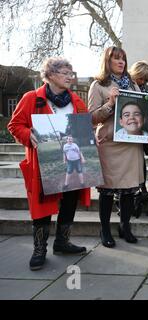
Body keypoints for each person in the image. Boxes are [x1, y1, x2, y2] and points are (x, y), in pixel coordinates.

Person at [8, 57, 90, 271]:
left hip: (71, 160)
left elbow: (84, 126)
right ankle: (39, 249)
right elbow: (15, 125)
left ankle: (62, 242)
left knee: (70, 200)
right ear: (51, 75)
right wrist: (28, 135)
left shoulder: (77, 101)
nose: (70, 77)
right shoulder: (31, 98)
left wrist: (90, 136)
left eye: (71, 73)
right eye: (65, 73)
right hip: (44, 162)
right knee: (43, 206)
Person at [88, 46, 148, 248]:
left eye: (123, 58)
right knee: (107, 191)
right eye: (116, 59)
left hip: (131, 143)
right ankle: (105, 229)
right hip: (109, 144)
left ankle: (125, 227)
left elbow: (142, 112)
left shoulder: (133, 85)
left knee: (128, 190)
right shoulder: (98, 85)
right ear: (107, 61)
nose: (121, 62)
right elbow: (92, 117)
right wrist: (110, 103)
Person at [129, 60, 148, 199]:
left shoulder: (145, 89)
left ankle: (142, 187)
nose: (142, 81)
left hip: (140, 129)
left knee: (141, 163)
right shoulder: (126, 85)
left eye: (145, 79)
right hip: (127, 129)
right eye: (141, 78)